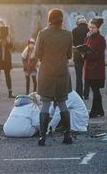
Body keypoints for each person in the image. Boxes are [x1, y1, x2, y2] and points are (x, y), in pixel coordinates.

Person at [34, 9, 73, 146]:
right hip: (62, 72)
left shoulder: (43, 34)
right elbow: (69, 55)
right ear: (61, 20)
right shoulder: (68, 34)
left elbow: (37, 53)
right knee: (62, 103)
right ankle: (67, 135)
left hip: (46, 72)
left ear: (49, 19)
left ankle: (42, 137)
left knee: (45, 104)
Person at [82, 17, 106, 119]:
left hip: (97, 68)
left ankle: (94, 111)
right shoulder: (88, 38)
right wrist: (83, 53)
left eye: (93, 27)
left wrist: (87, 55)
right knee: (95, 90)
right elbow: (85, 48)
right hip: (88, 68)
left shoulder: (101, 39)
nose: (91, 29)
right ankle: (100, 110)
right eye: (90, 27)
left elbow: (99, 54)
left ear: (97, 28)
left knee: (95, 90)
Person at [72, 15, 90, 99]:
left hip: (77, 56)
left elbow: (73, 44)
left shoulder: (74, 30)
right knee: (87, 76)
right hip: (87, 56)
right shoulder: (89, 29)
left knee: (78, 77)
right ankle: (86, 94)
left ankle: (79, 94)